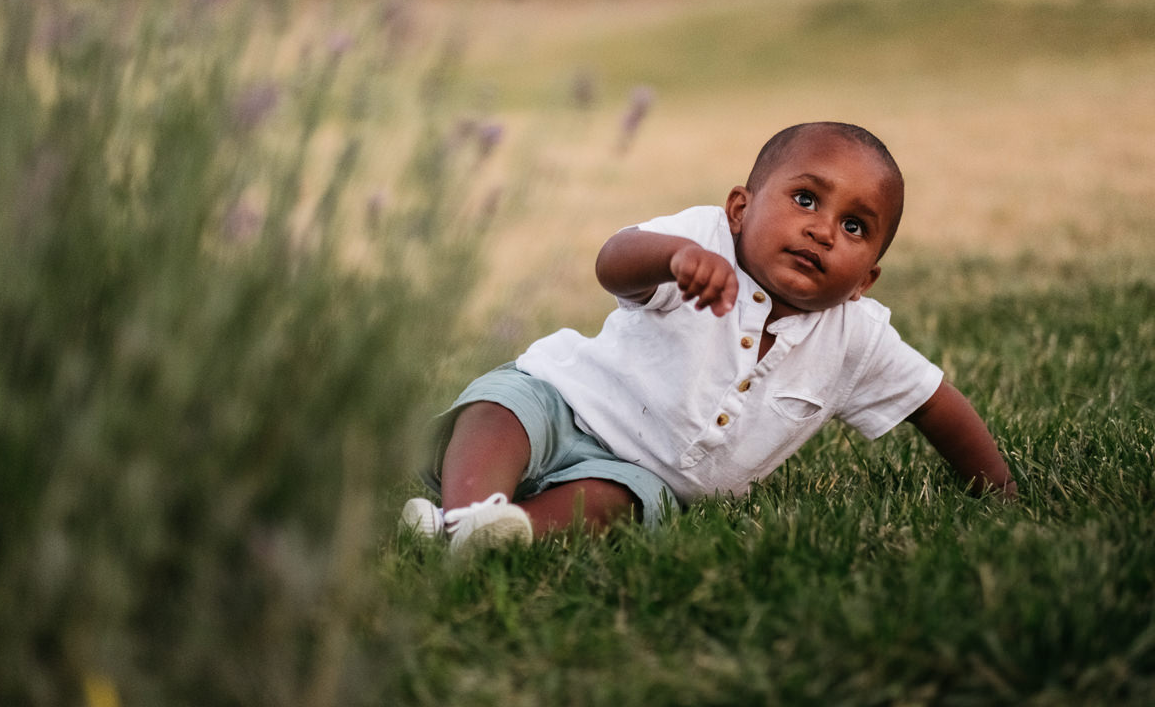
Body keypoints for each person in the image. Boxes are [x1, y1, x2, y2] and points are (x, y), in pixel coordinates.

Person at [402, 121, 1016, 553]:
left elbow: (938, 405)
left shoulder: (857, 340)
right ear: (740, 209)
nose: (823, 231)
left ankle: (508, 533)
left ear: (866, 280)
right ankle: (466, 512)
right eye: (806, 198)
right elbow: (612, 261)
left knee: (619, 503)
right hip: (564, 399)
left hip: (640, 475)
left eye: (854, 226)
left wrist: (1001, 492)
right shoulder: (701, 239)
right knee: (499, 407)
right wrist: (673, 258)